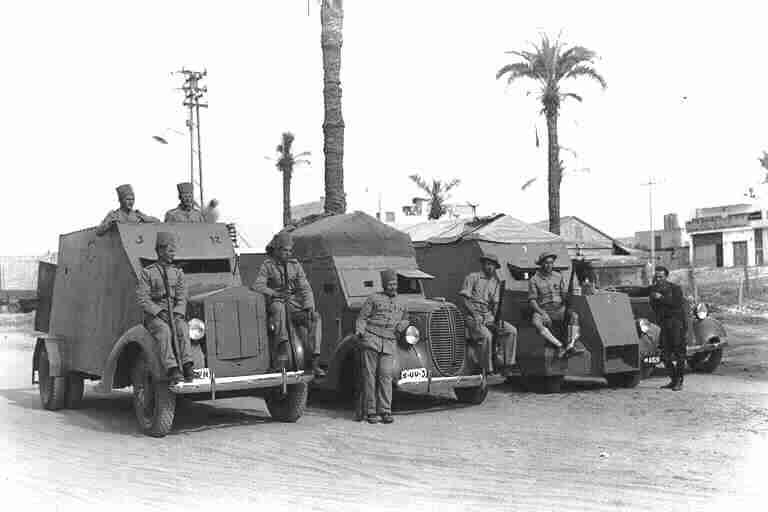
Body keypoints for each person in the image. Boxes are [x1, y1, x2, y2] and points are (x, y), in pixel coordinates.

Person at [250, 230, 326, 377]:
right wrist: (275, 294)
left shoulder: (295, 265)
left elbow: (305, 287)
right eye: (285, 250)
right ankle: (282, 352)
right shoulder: (268, 265)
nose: (288, 253)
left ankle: (314, 361)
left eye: (290, 250)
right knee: (279, 309)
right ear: (277, 250)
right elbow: (257, 286)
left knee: (315, 318)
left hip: (293, 304)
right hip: (277, 302)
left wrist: (309, 306)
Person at [136, 232, 194, 384]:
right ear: (160, 251)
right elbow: (143, 299)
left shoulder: (178, 273)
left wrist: (178, 313)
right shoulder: (148, 273)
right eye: (170, 250)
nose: (173, 254)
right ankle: (171, 368)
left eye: (173, 250)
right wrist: (159, 312)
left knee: (183, 328)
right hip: (155, 316)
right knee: (164, 331)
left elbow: (182, 297)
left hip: (174, 313)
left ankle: (187, 364)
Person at [355, 269, 409, 424]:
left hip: (390, 341)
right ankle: (370, 411)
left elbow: (406, 318)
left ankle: (385, 410)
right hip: (372, 339)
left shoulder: (402, 301)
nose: (393, 287)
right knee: (369, 377)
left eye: (395, 284)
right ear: (384, 285)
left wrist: (402, 325)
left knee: (386, 376)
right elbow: (362, 318)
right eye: (390, 284)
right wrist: (360, 332)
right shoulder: (373, 298)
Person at [458, 254, 517, 370]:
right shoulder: (473, 277)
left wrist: (497, 321)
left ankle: (507, 364)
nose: (490, 267)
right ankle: (487, 369)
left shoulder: (495, 283)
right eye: (488, 264)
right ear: (483, 265)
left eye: (493, 265)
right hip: (473, 316)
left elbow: (495, 305)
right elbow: (464, 299)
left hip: (488, 316)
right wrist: (475, 314)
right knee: (487, 336)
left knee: (511, 331)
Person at [528, 251, 581, 358]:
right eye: (546, 263)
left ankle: (570, 346)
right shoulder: (534, 280)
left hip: (559, 308)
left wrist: (568, 297)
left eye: (551, 263)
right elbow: (532, 301)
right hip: (544, 309)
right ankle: (559, 346)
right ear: (541, 264)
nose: (549, 265)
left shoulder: (558, 276)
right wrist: (543, 313)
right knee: (536, 321)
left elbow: (563, 295)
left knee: (574, 316)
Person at [649, 265, 687, 391]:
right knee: (664, 355)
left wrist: (661, 298)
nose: (658, 279)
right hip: (663, 325)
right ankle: (673, 379)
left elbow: (677, 303)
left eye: (661, 277)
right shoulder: (653, 289)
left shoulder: (675, 288)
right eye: (656, 277)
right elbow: (641, 293)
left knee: (679, 353)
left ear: (666, 277)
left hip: (676, 324)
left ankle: (679, 381)